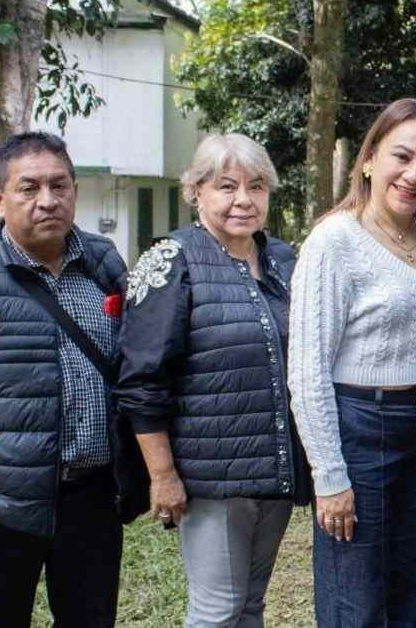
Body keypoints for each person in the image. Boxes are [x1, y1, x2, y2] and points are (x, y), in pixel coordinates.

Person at [0, 132, 141, 628]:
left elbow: (134, 369)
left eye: (59, 186)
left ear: (75, 190)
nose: (47, 201)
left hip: (90, 501)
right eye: (29, 188)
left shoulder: (104, 267)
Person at [114, 133, 309, 627]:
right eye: (227, 186)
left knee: (250, 604)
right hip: (210, 480)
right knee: (218, 608)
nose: (244, 199)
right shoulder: (171, 260)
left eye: (257, 186)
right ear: (195, 191)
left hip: (274, 471)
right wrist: (162, 476)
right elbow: (141, 380)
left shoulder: (285, 261)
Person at [289, 98, 416, 627]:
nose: (415, 175)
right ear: (369, 158)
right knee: (354, 599)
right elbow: (307, 370)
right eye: (402, 157)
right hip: (360, 429)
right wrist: (330, 476)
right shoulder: (335, 240)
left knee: (415, 593)